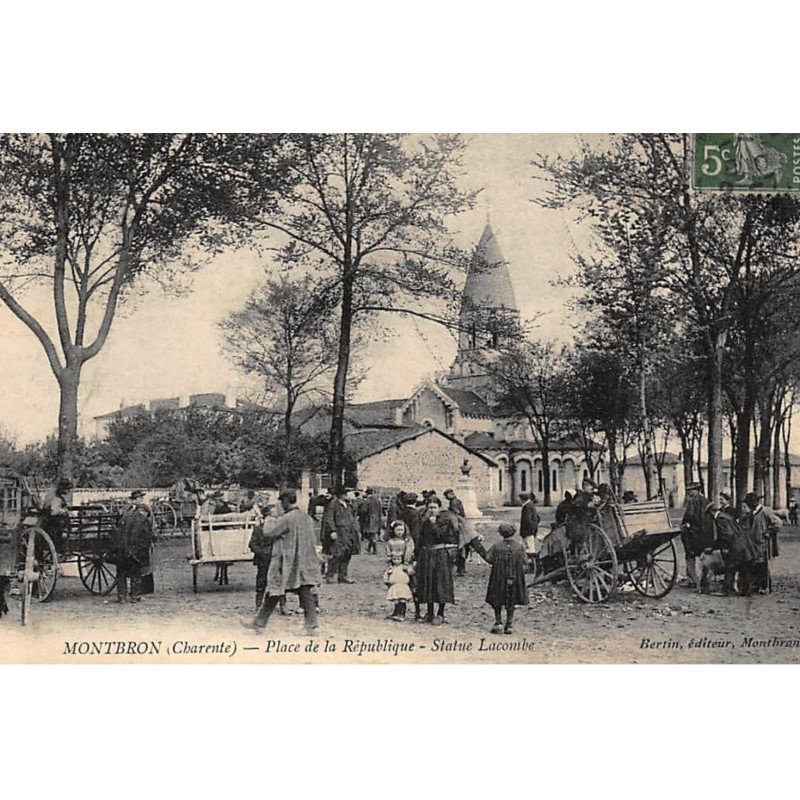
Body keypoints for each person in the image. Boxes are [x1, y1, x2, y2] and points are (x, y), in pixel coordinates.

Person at [249, 489, 320, 635]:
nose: (280, 505)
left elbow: (268, 532)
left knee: (277, 587)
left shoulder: (287, 519)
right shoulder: (306, 517)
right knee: (300, 590)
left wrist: (270, 517)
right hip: (304, 560)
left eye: (281, 502)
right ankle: (259, 623)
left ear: (287, 501)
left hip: (288, 562)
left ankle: (311, 627)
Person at [473, 523, 528, 634]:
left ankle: (498, 622)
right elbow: (525, 562)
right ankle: (509, 624)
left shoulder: (497, 546)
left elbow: (488, 558)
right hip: (514, 576)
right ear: (514, 533)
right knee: (511, 600)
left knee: (497, 599)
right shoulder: (519, 547)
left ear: (500, 533)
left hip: (499, 577)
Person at [414, 497, 459, 624]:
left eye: (434, 507)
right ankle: (429, 612)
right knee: (428, 582)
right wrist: (417, 555)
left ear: (439, 508)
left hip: (440, 554)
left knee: (440, 583)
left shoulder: (445, 520)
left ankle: (440, 613)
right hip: (427, 555)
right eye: (430, 508)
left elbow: (443, 536)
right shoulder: (424, 520)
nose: (432, 510)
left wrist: (434, 524)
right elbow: (420, 537)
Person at [706, 492, 758, 597]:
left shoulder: (719, 519)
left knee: (730, 567)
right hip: (743, 544)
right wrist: (713, 547)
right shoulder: (725, 516)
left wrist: (724, 547)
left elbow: (726, 535)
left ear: (711, 513)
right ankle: (746, 591)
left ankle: (726, 590)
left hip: (736, 546)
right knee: (743, 567)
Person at [109, 490, 154, 603]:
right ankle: (135, 596)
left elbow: (117, 529)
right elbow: (145, 536)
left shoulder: (124, 513)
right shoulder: (143, 517)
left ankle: (122, 597)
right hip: (134, 549)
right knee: (136, 572)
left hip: (121, 548)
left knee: (121, 572)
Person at [248, 502, 287, 615]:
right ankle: (259, 606)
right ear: (266, 516)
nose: (275, 517)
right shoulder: (258, 529)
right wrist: (263, 553)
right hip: (263, 560)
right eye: (272, 515)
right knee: (261, 583)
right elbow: (252, 544)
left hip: (277, 559)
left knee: (280, 582)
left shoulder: (279, 529)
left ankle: (283, 605)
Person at [741, 492, 782, 594]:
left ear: (755, 502)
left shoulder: (765, 511)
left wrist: (769, 531)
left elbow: (778, 522)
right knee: (755, 564)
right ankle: (756, 585)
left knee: (763, 565)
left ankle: (765, 587)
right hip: (753, 542)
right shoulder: (752, 512)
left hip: (762, 542)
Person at [322, 486, 360, 584]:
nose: (349, 495)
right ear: (342, 494)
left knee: (347, 553)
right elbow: (329, 518)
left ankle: (343, 575)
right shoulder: (333, 504)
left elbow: (354, 514)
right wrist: (332, 531)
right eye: (347, 493)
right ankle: (329, 575)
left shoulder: (348, 505)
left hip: (349, 533)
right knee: (337, 554)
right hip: (339, 533)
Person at [680, 482, 712, 589]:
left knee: (690, 555)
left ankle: (692, 580)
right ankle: (704, 580)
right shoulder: (705, 501)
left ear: (697, 490)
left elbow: (689, 516)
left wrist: (686, 525)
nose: (689, 492)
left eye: (691, 490)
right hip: (704, 534)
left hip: (694, 533)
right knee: (704, 556)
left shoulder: (693, 501)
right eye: (689, 490)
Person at [383, 523, 415, 622]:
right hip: (394, 564)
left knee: (403, 591)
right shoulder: (391, 542)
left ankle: (402, 613)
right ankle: (396, 611)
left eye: (401, 530)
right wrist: (390, 562)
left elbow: (409, 551)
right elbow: (388, 552)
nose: (400, 532)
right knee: (395, 590)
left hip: (404, 565)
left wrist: (406, 563)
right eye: (398, 530)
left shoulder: (407, 541)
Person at [38, 477, 72, 552]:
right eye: (67, 489)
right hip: (53, 524)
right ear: (62, 489)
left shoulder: (54, 495)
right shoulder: (56, 498)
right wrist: (64, 511)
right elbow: (54, 511)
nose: (68, 491)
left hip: (51, 521)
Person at [444, 488, 469, 575]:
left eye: (447, 495)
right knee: (462, 548)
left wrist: (450, 511)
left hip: (459, 525)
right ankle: (461, 568)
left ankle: (461, 568)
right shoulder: (457, 500)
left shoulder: (453, 502)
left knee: (460, 547)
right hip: (462, 523)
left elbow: (457, 513)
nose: (446, 497)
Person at [358, 487, 383, 555]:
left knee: (371, 535)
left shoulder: (367, 501)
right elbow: (380, 510)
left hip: (369, 519)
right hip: (377, 518)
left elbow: (363, 511)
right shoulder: (378, 500)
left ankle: (375, 550)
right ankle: (369, 548)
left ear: (367, 493)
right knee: (373, 534)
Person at [519, 492, 539, 567]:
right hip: (530, 530)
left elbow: (527, 520)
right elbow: (537, 518)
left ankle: (530, 565)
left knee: (528, 548)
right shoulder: (531, 505)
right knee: (529, 547)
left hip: (527, 531)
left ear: (523, 499)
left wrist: (527, 531)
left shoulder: (527, 507)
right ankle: (529, 564)